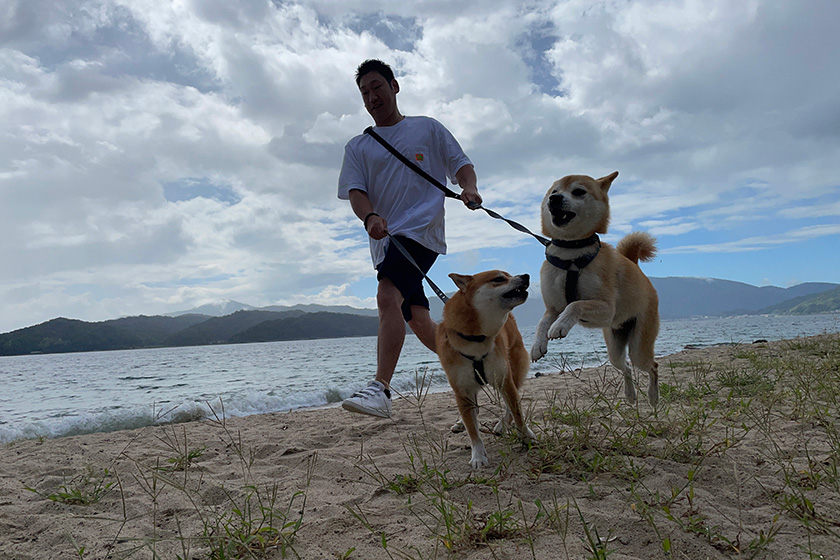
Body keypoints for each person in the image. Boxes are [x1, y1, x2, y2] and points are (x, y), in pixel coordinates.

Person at [337, 59, 482, 418]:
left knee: (387, 293)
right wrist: (369, 216)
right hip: (386, 240)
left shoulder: (427, 129)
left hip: (421, 231)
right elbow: (355, 192)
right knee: (418, 320)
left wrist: (470, 188)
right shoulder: (357, 147)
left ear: (394, 86)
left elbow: (461, 164)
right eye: (364, 92)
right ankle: (473, 362)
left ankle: (381, 388)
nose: (372, 97)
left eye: (377, 87)